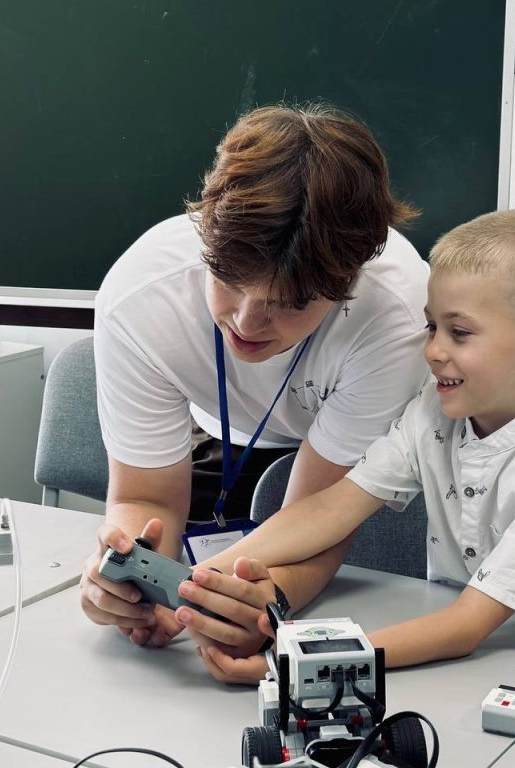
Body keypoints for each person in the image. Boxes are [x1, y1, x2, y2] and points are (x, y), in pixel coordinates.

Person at [181, 209, 515, 683]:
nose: (432, 350)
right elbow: (330, 508)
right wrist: (199, 581)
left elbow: (464, 628)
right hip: (501, 651)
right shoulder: (432, 413)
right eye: (432, 327)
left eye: (460, 332)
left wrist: (293, 665)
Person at [79, 104, 431, 654]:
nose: (245, 322)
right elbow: (147, 498)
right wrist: (130, 583)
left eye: (288, 304)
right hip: (222, 444)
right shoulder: (140, 298)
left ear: (349, 280)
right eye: (228, 280)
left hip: (352, 475)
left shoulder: (396, 317)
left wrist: (273, 601)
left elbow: (323, 516)